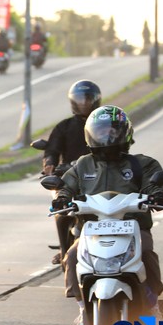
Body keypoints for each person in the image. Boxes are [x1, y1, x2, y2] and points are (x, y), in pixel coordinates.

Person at [52, 105, 163, 325]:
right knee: (73, 256)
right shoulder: (82, 164)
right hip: (92, 229)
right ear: (90, 135)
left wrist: (158, 194)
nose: (107, 137)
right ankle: (81, 309)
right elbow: (66, 186)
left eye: (113, 131)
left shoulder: (142, 164)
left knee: (146, 253)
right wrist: (62, 198)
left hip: (132, 227)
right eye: (101, 131)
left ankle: (153, 307)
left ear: (125, 133)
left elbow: (154, 183)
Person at [41, 80, 102, 265]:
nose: (84, 103)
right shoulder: (64, 126)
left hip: (100, 176)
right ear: (73, 102)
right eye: (80, 100)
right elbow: (51, 150)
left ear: (96, 100)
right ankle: (63, 249)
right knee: (61, 213)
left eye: (88, 99)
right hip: (69, 178)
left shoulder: (104, 124)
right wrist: (49, 163)